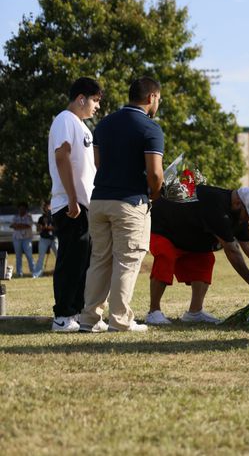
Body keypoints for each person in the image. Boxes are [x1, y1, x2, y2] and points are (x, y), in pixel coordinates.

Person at [79, 77, 164, 333]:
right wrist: (155, 194)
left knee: (99, 261)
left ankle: (89, 319)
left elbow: (98, 163)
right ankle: (120, 320)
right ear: (151, 98)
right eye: (158, 99)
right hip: (130, 203)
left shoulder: (104, 124)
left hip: (99, 200)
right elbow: (155, 174)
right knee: (127, 261)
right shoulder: (151, 129)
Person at [145, 185, 249, 325]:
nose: (248, 219)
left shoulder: (239, 215)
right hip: (163, 225)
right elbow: (232, 250)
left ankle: (194, 312)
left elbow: (248, 245)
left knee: (205, 260)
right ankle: (153, 312)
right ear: (238, 203)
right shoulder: (217, 205)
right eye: (248, 214)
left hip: (187, 233)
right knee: (166, 256)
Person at [47, 77, 102, 332]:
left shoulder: (83, 127)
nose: (97, 107)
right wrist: (71, 198)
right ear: (81, 98)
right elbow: (62, 156)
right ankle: (63, 316)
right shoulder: (64, 120)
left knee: (84, 262)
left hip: (84, 205)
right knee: (70, 261)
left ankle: (77, 313)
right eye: (95, 101)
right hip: (71, 205)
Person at [10, 202, 35, 278]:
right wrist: (21, 225)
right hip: (17, 239)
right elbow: (12, 225)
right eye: (20, 208)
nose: (21, 210)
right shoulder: (15, 217)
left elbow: (28, 225)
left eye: (23, 208)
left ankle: (34, 272)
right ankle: (19, 273)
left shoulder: (29, 216)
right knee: (18, 256)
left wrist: (18, 225)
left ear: (26, 209)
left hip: (27, 239)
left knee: (29, 256)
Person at [34, 201, 58, 277]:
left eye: (48, 206)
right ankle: (37, 274)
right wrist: (40, 227)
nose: (47, 208)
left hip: (54, 238)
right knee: (41, 257)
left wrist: (47, 227)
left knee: (59, 255)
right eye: (45, 207)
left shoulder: (55, 216)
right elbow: (38, 229)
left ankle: (61, 272)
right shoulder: (41, 218)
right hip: (44, 238)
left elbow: (57, 227)